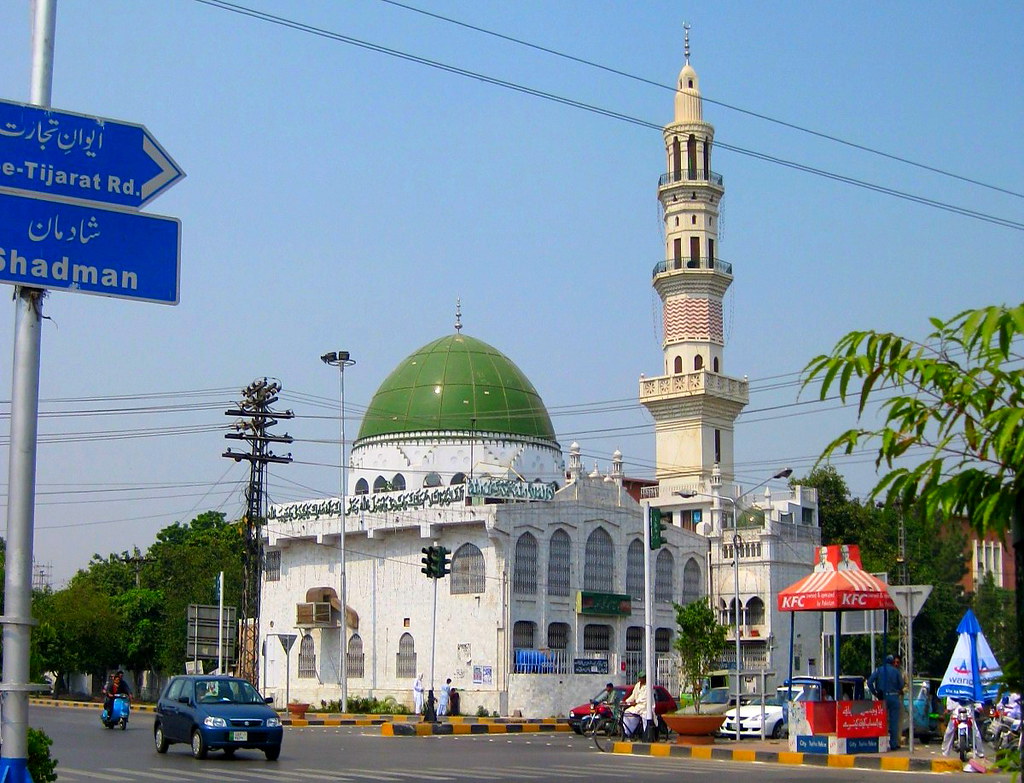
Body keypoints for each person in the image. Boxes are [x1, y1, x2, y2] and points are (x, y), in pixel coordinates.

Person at [868, 655, 904, 751]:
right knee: (894, 722)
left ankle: (880, 744)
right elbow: (901, 685)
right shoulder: (896, 671)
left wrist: (875, 693)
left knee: (881, 721)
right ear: (892, 662)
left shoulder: (879, 670)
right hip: (894, 697)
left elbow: (869, 682)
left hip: (882, 698)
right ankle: (893, 744)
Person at [622, 672, 649, 739]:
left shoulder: (648, 686)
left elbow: (644, 697)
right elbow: (633, 696)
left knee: (644, 717)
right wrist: (626, 702)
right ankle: (628, 731)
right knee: (627, 712)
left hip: (644, 706)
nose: (640, 679)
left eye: (642, 678)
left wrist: (635, 702)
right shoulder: (637, 685)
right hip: (637, 706)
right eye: (639, 678)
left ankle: (643, 733)